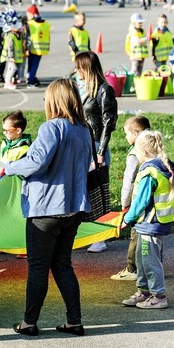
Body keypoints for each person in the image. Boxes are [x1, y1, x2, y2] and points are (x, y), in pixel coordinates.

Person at [4, 78, 93, 337]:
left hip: (46, 209)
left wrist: (8, 168)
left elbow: (35, 163)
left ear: (53, 101)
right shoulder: (84, 130)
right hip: (74, 207)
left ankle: (29, 322)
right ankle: (74, 321)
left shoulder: (51, 128)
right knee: (63, 265)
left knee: (39, 267)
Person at [119, 131, 174, 309]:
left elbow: (141, 202)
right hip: (151, 223)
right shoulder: (164, 165)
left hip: (150, 223)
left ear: (144, 152)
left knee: (150, 261)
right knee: (142, 259)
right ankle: (144, 291)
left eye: (135, 152)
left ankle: (159, 296)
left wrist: (127, 218)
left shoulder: (149, 171)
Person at [74, 51, 118, 253]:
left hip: (97, 145)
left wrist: (100, 152)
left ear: (86, 68)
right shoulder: (84, 89)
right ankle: (87, 233)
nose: (76, 71)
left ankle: (101, 237)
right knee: (85, 190)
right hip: (83, 144)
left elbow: (109, 122)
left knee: (98, 191)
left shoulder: (104, 90)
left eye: (78, 67)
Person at [111, 115, 151, 281]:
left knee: (136, 235)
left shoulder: (135, 154)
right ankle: (152, 267)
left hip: (137, 202)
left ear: (135, 133)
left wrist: (124, 204)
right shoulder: (154, 148)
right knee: (150, 238)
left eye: (126, 133)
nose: (126, 137)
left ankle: (131, 268)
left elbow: (128, 181)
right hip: (153, 203)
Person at [0, 110, 32, 177]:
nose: (4, 133)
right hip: (1, 178)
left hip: (12, 182)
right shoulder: (7, 142)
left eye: (7, 130)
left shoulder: (25, 149)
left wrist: (3, 171)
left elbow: (21, 170)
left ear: (18, 130)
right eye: (3, 130)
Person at [26, 5, 48, 87]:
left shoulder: (30, 24)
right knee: (34, 65)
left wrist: (26, 49)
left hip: (31, 48)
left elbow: (28, 37)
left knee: (31, 65)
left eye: (28, 14)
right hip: (40, 49)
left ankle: (30, 80)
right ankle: (31, 79)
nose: (27, 16)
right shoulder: (45, 24)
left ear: (32, 14)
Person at [0, 18, 24, 90]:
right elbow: (10, 47)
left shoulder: (18, 35)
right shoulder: (11, 36)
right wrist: (11, 57)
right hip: (11, 56)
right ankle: (7, 82)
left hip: (15, 57)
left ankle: (8, 82)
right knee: (13, 68)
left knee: (10, 68)